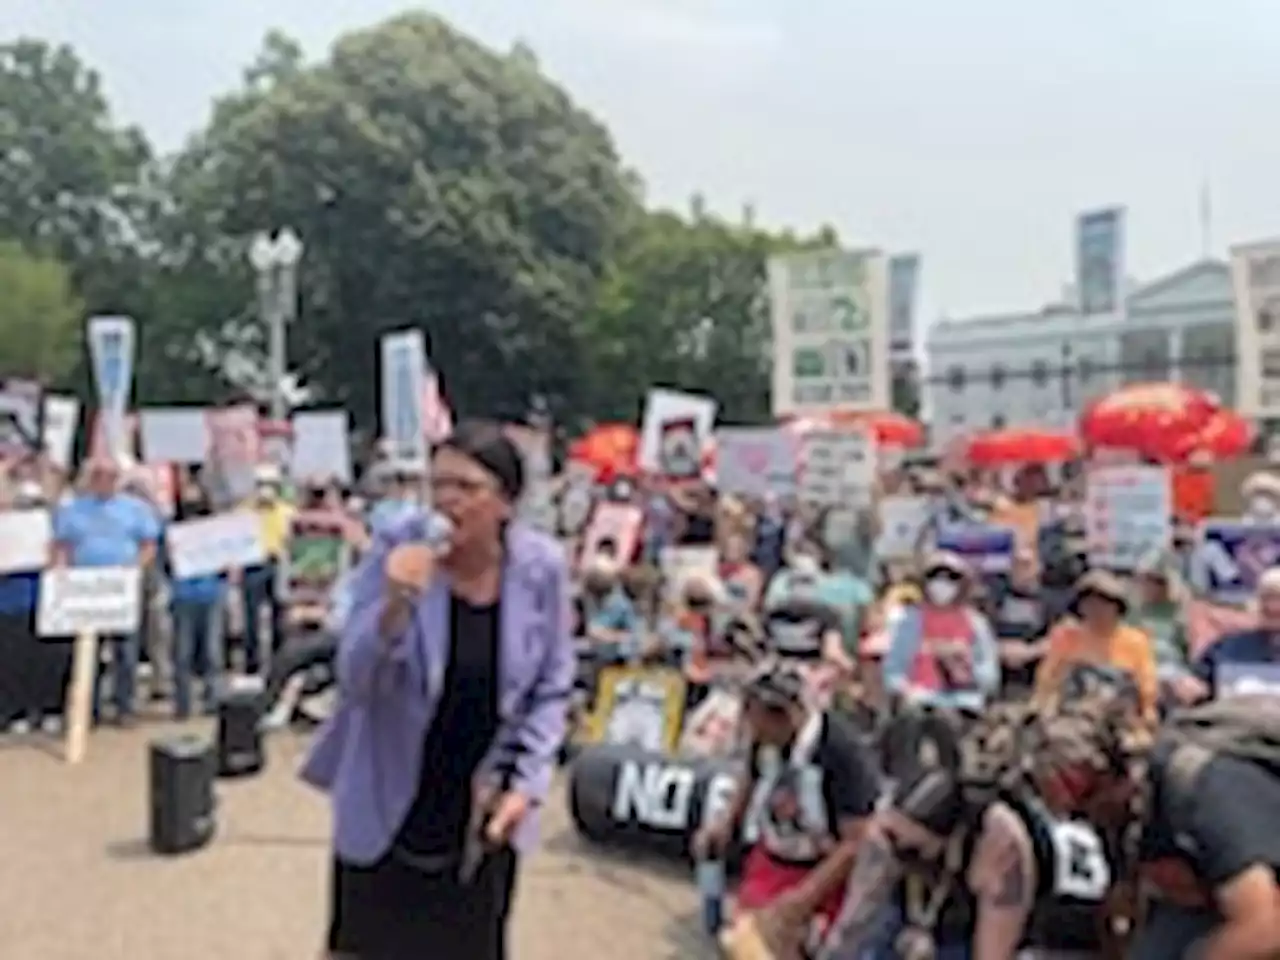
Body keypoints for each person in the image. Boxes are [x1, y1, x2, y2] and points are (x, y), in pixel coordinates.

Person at [301, 420, 574, 960]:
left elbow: (552, 685)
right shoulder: (396, 549)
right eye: (438, 484)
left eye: (465, 488)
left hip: (481, 807)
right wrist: (395, 606)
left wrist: (528, 783)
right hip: (389, 796)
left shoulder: (542, 568)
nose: (447, 501)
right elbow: (356, 682)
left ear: (505, 502)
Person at [820, 703, 1118, 960]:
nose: (901, 851)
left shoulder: (1001, 845)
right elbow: (855, 920)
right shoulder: (887, 830)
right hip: (920, 915)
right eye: (894, 840)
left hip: (990, 928)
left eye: (913, 849)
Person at [1025, 690, 1280, 959]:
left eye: (1084, 797)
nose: (1085, 818)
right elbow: (1122, 911)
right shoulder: (1122, 815)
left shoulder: (1200, 790)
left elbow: (1265, 927)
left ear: (1119, 772)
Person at [694, 663, 879, 959]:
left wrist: (802, 900)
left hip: (828, 873)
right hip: (774, 857)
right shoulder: (765, 738)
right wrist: (725, 823)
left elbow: (857, 841)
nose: (750, 727)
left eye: (755, 718)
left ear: (785, 716)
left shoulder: (843, 753)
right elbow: (751, 776)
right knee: (741, 945)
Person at [51, 458, 159, 724]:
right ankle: (90, 709)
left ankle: (125, 707)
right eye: (98, 475)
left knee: (126, 650)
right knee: (88, 652)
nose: (103, 481)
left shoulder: (135, 509)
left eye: (109, 476)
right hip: (84, 589)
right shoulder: (73, 509)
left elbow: (148, 544)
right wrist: (60, 574)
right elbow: (61, 546)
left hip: (121, 588)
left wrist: (134, 570)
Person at [1034, 570, 1158, 721]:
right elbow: (1047, 681)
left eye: (1104, 603)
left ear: (1117, 607)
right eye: (1089, 603)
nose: (1096, 609)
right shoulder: (1065, 638)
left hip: (1119, 718)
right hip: (1073, 717)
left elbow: (1147, 689)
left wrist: (1147, 715)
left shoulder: (1136, 642)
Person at [882, 552, 1000, 712]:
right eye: (935, 577)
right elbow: (893, 670)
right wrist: (905, 690)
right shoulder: (909, 620)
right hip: (921, 702)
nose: (942, 584)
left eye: (951, 578)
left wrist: (966, 667)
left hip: (964, 705)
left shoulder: (976, 623)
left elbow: (990, 676)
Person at [0, 481, 63, 732]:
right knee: (10, 662)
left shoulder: (47, 525)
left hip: (44, 601)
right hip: (7, 603)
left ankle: (47, 709)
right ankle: (15, 712)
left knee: (46, 660)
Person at [168, 481, 227, 719]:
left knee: (213, 653)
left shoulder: (215, 530)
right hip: (183, 596)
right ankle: (182, 705)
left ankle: (213, 700)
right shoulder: (172, 531)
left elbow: (227, 559)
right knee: (182, 653)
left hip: (211, 594)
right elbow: (165, 564)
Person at [1192, 565, 1280, 695]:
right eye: (1267, 598)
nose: (1273, 607)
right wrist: (1193, 685)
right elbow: (1201, 678)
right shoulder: (1228, 646)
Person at [240, 464, 293, 675]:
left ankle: (279, 664)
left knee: (279, 617)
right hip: (253, 565)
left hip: (278, 564)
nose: (265, 489)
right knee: (251, 618)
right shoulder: (245, 511)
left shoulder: (287, 512)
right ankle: (251, 665)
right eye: (262, 485)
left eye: (270, 485)